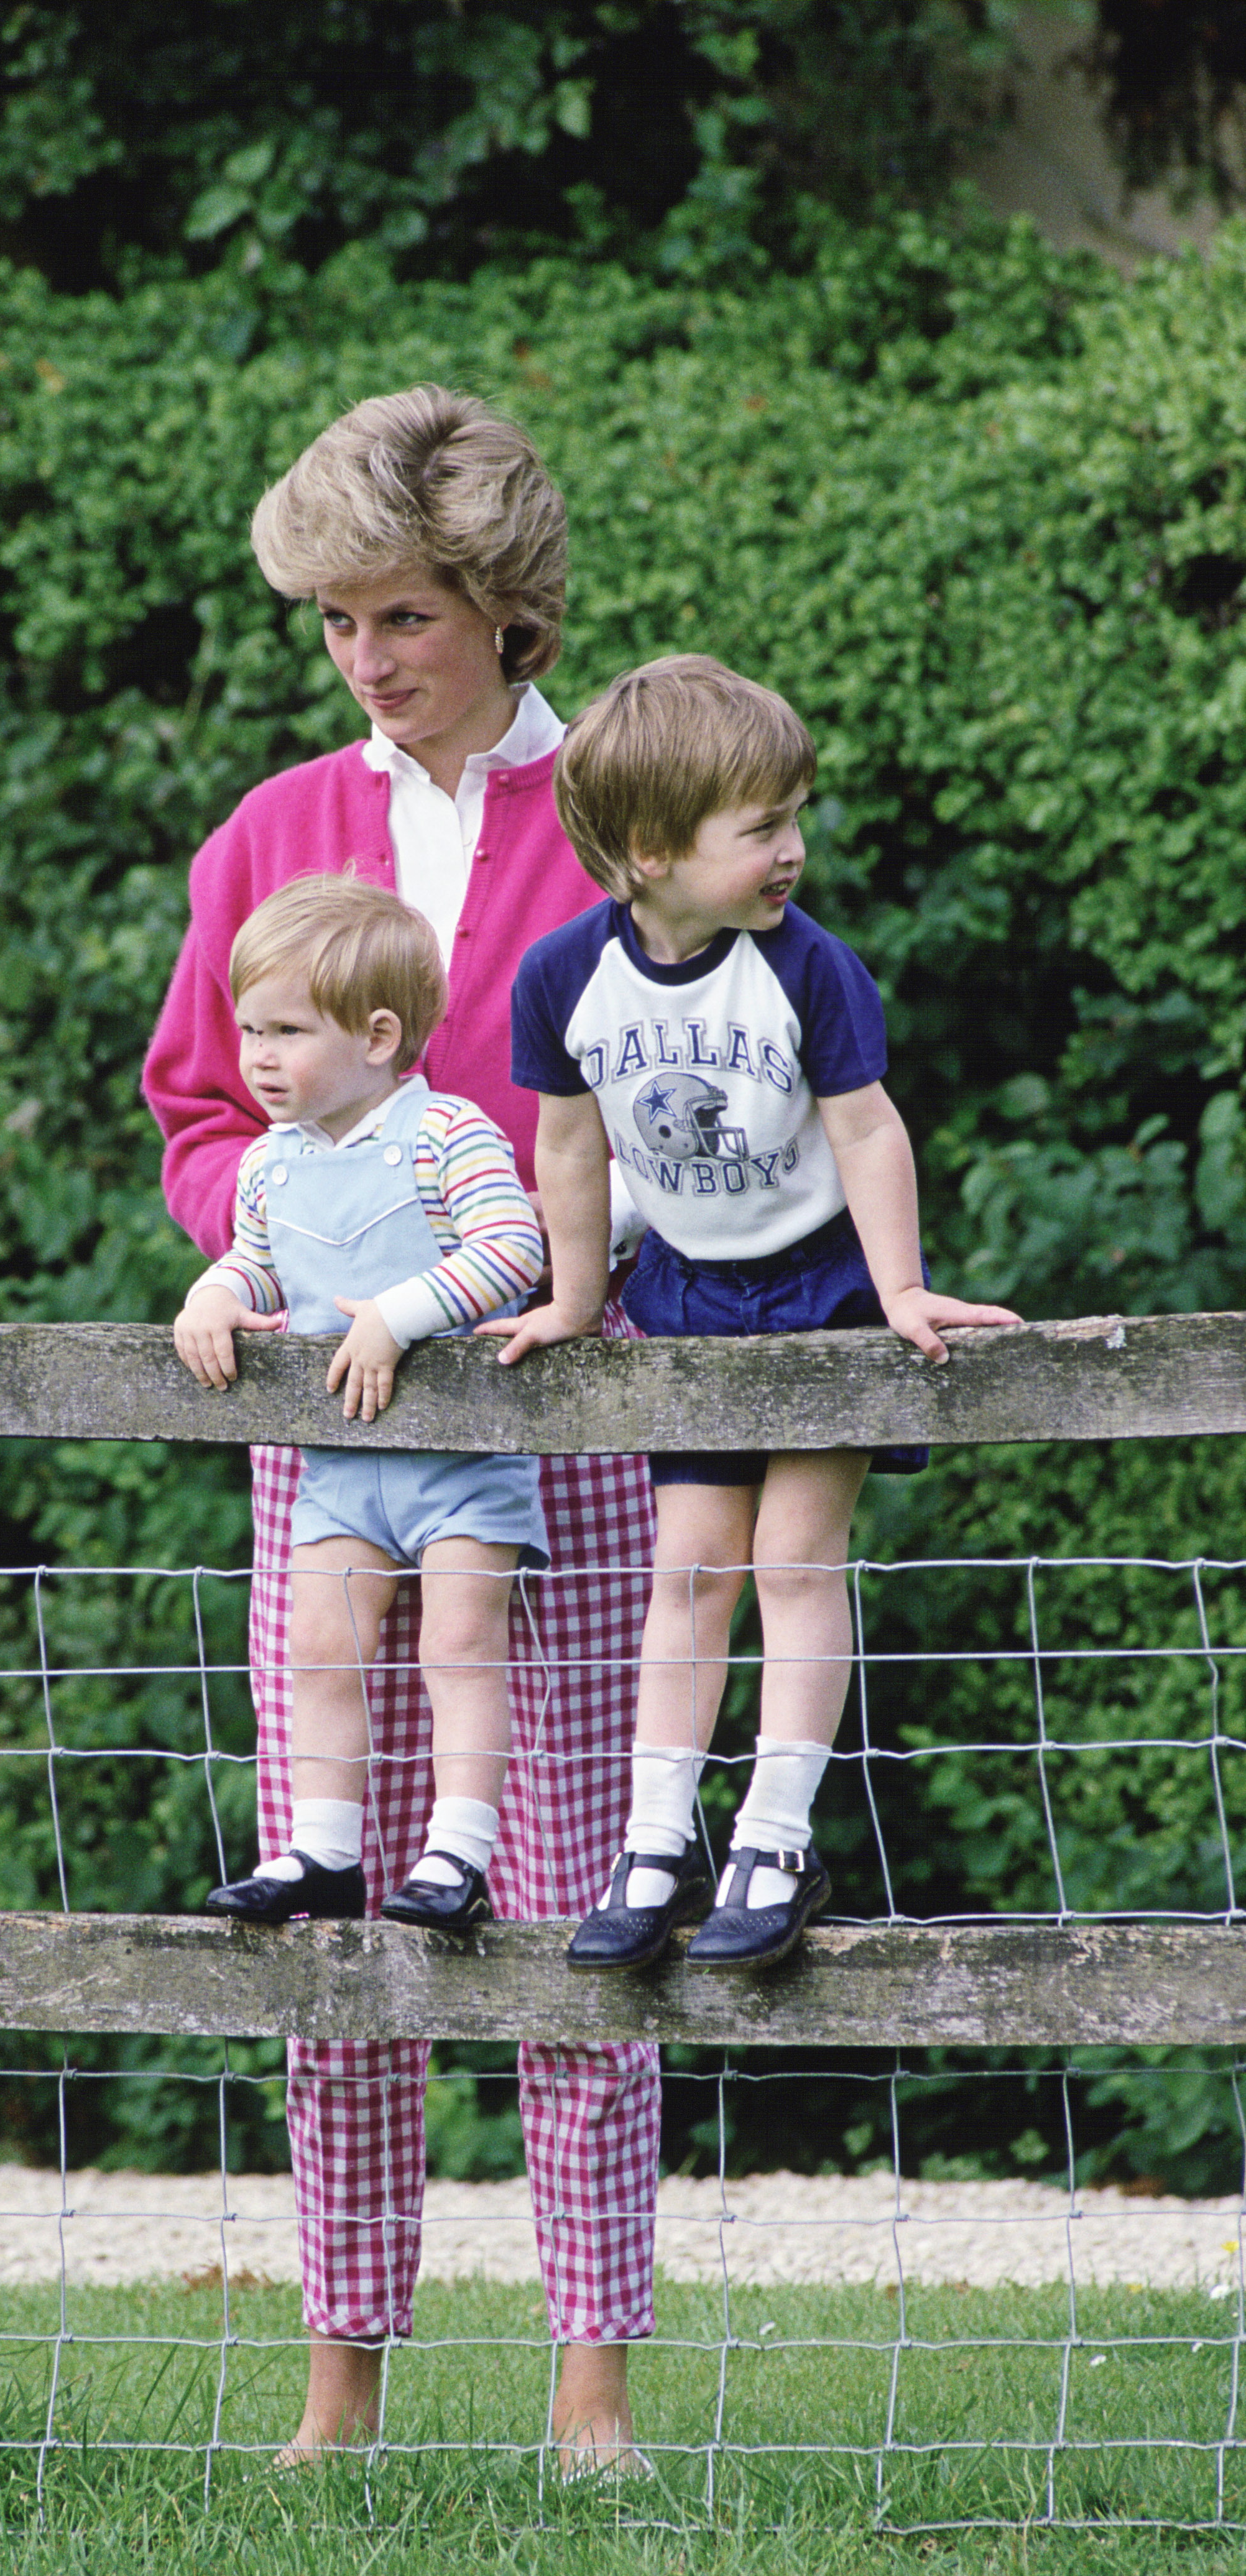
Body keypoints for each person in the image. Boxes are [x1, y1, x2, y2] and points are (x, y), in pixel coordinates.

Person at [143, 387, 661, 2474]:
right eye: (337, 618)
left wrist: (594, 1267)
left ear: (505, 608)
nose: (365, 655)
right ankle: (337, 2389)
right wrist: (271, 1253)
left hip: (578, 1418)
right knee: (339, 1902)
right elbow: (200, 1108)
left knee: (570, 1903)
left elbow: (722, 1083)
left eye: (404, 614)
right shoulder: (273, 831)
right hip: (338, 1434)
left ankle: (591, 2396)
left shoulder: (627, 808)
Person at [493, 654, 1022, 1970]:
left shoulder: (809, 968)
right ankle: (655, 1842)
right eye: (761, 827)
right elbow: (569, 1150)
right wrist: (574, 1298)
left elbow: (867, 1129)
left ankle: (775, 1839)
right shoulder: (563, 978)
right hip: (684, 1293)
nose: (793, 849)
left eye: (796, 817)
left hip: (821, 1284)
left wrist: (898, 1288)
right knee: (686, 1572)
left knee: (792, 1559)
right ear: (650, 851)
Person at [175, 875, 548, 1930]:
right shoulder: (268, 1165)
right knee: (319, 1649)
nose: (257, 1056)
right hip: (339, 1467)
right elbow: (259, 1264)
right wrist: (214, 1294)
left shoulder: (449, 1134)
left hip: (461, 1464)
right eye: (250, 1029)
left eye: (287, 1032)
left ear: (380, 1037)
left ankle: (457, 1855)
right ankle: (325, 1853)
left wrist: (399, 1313)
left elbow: (514, 1248)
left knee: (459, 1647)